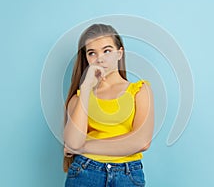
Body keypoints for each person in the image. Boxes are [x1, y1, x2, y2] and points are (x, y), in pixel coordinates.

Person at [63, 23, 154, 187]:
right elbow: (72, 142)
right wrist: (85, 88)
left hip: (128, 175)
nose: (100, 58)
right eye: (92, 53)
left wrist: (82, 148)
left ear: (120, 53)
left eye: (107, 50)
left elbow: (141, 142)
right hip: (85, 172)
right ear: (87, 59)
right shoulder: (79, 98)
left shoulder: (139, 91)